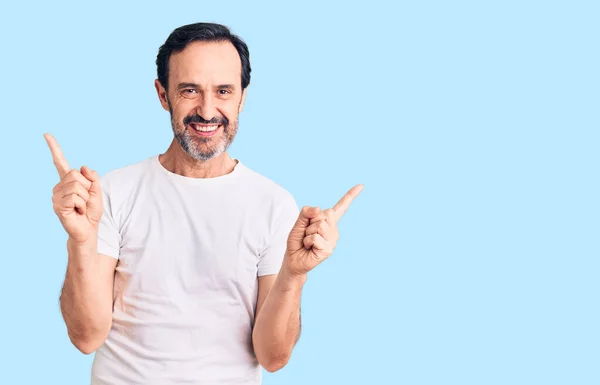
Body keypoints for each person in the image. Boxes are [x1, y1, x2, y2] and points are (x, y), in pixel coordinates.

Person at [45, 22, 363, 384]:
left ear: (242, 96)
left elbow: (273, 358)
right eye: (190, 90)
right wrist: (81, 242)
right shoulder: (112, 194)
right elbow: (86, 337)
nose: (208, 111)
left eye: (224, 91)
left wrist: (294, 275)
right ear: (163, 95)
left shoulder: (273, 204)